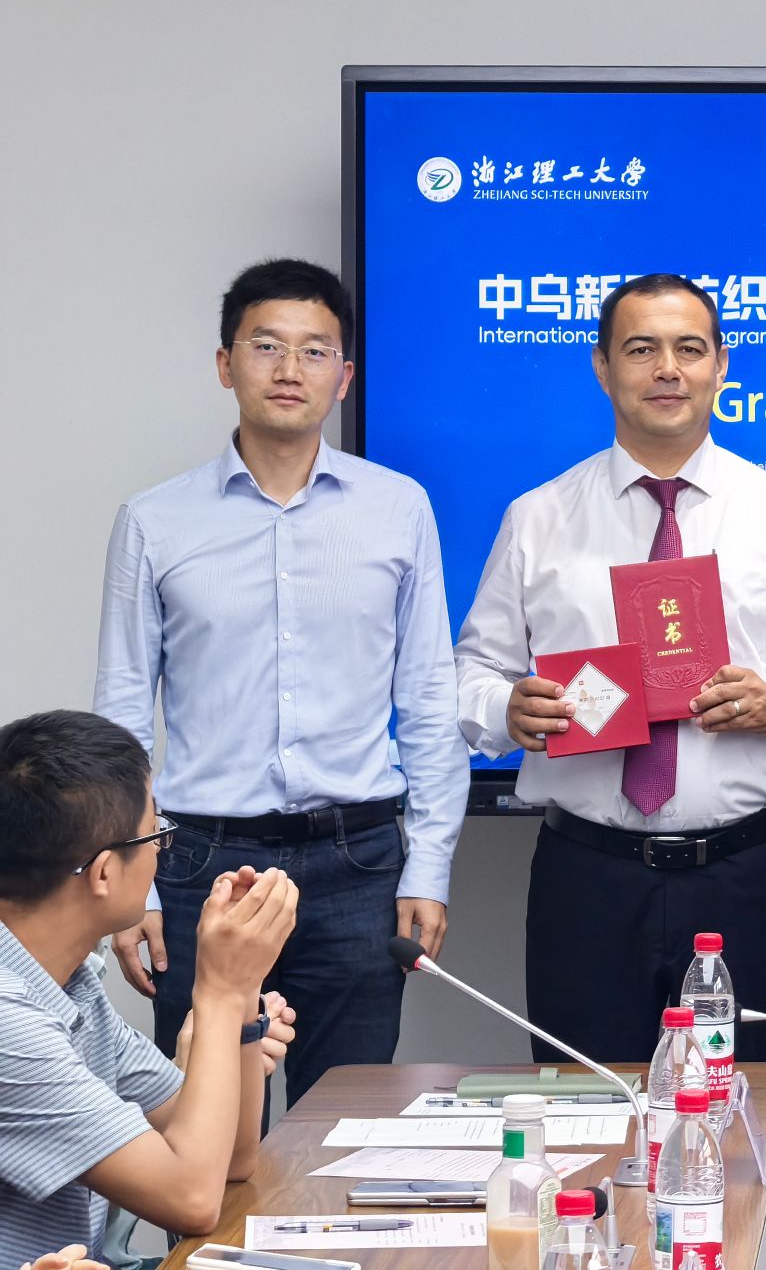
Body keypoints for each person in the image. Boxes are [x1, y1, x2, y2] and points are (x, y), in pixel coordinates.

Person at [456, 274, 766, 1062]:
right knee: (588, 1108)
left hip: (745, 874)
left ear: (721, 364)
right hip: (587, 877)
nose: (667, 369)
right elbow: (473, 668)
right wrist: (504, 710)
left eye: (689, 349)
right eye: (641, 349)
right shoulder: (538, 517)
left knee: (752, 1106)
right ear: (601, 366)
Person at [92, 259, 467, 1107]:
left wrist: (428, 869)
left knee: (345, 1119)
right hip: (202, 866)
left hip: (358, 861)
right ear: (226, 364)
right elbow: (120, 716)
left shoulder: (398, 508)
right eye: (266, 346)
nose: (290, 369)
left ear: (345, 376)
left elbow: (429, 700)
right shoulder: (154, 520)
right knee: (207, 1128)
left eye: (314, 350)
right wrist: (132, 879)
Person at [0, 711, 298, 1270]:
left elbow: (229, 1159)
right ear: (103, 873)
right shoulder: (9, 1023)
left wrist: (241, 994)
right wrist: (218, 990)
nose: (162, 849)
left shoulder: (72, 985)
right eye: (155, 831)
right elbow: (191, 1198)